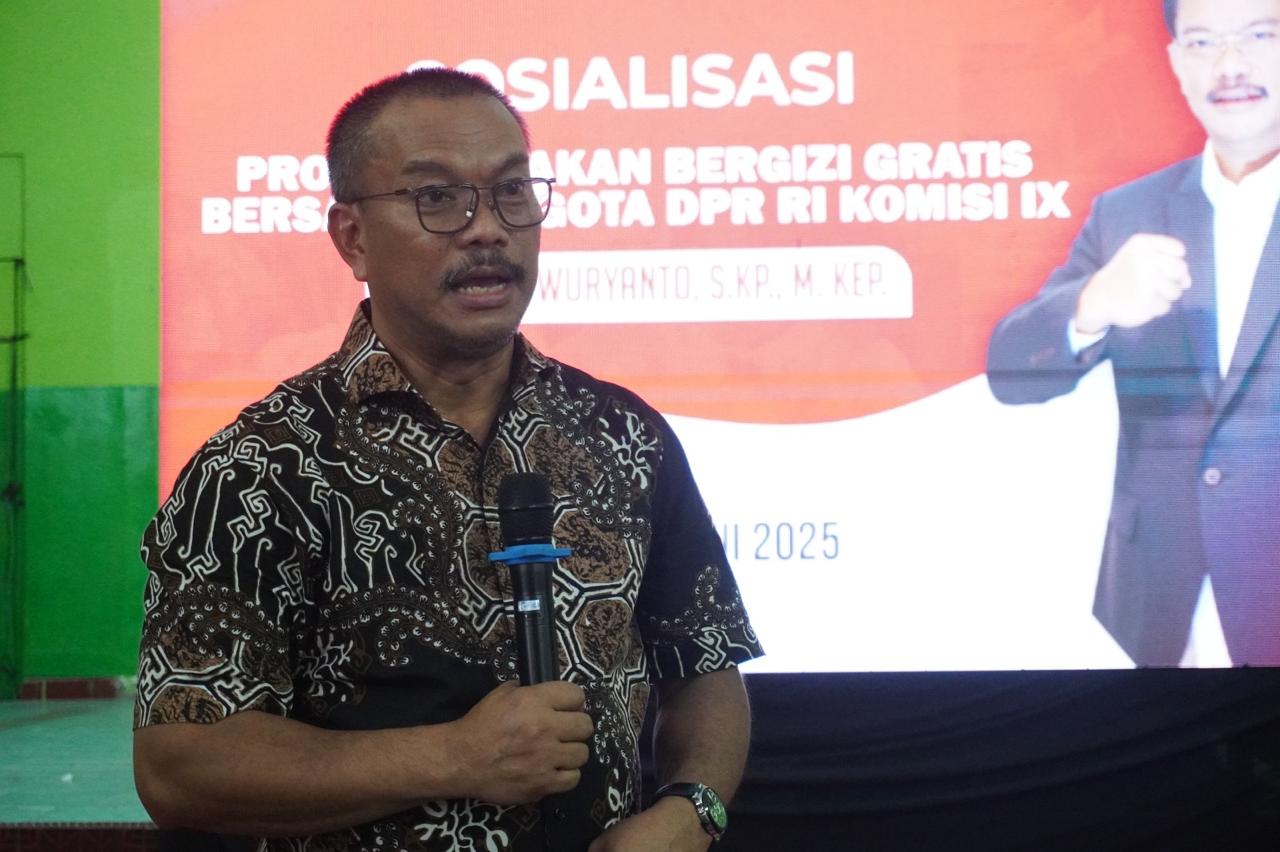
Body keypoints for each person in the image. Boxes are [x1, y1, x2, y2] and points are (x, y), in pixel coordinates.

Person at [132, 67, 762, 852]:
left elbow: (704, 666)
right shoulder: (262, 467)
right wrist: (454, 757)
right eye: (437, 197)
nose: (487, 229)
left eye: (511, 191)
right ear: (353, 238)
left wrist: (691, 811)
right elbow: (179, 767)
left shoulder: (623, 435)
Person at [987, 0, 1280, 667]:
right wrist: (1090, 303)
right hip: (1161, 607)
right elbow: (1009, 371)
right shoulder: (1129, 211)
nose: (1230, 65)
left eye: (1258, 35)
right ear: (1176, 61)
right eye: (1203, 42)